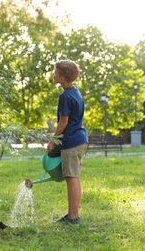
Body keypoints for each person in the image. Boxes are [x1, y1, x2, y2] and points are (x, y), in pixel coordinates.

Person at [47, 60, 88, 224]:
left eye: (55, 72)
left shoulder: (65, 96)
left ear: (62, 78)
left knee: (71, 177)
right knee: (74, 177)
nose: (53, 75)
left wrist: (53, 140)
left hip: (71, 141)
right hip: (80, 139)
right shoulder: (75, 92)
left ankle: (72, 217)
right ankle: (73, 215)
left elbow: (63, 122)